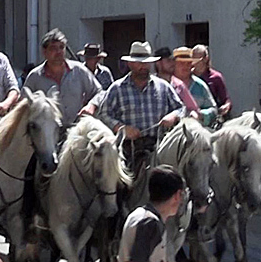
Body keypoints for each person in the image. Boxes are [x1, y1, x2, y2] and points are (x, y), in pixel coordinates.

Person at [84, 42, 183, 174]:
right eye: (138, 63)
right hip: (127, 150)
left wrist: (173, 116)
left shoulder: (163, 87)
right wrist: (121, 128)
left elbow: (181, 108)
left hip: (158, 148)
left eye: (146, 63)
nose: (143, 66)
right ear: (130, 64)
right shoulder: (117, 88)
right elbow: (104, 114)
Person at [23, 29, 101, 127]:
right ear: (44, 52)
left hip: (77, 131)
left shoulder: (79, 70)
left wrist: (92, 105)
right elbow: (23, 105)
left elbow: (99, 92)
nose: (59, 52)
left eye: (61, 47)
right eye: (53, 48)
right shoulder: (35, 77)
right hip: (47, 136)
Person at [172, 47, 218, 127]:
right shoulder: (167, 85)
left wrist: (201, 115)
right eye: (182, 63)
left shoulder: (200, 85)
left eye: (189, 63)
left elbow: (213, 109)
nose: (186, 67)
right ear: (174, 65)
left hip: (196, 131)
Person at [153, 46, 200, 117]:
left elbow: (193, 109)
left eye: (173, 60)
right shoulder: (151, 84)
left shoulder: (179, 85)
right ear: (158, 63)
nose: (172, 63)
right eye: (168, 60)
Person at [191, 44, 231, 120]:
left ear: (206, 58)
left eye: (198, 59)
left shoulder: (216, 77)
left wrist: (226, 106)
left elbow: (225, 99)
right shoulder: (188, 77)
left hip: (211, 116)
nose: (194, 63)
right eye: (193, 59)